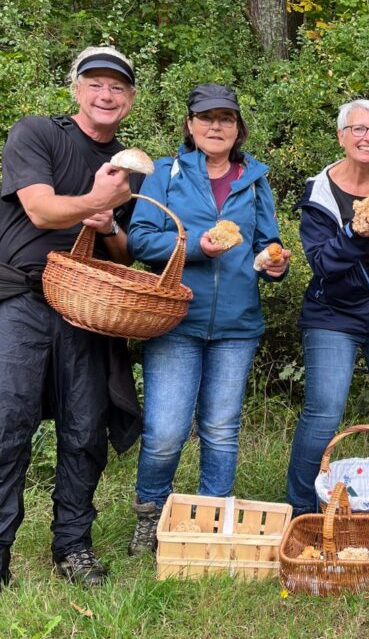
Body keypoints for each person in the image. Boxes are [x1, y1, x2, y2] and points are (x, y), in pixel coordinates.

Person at [0, 46, 143, 612]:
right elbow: (42, 211)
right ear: (76, 89)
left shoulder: (130, 164)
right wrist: (95, 200)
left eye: (117, 88)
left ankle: (72, 546)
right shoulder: (37, 134)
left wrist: (109, 224)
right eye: (95, 83)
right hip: (21, 299)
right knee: (2, 430)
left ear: (131, 100)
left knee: (84, 432)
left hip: (87, 306)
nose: (106, 95)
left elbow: (123, 253)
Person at [125, 84, 290, 555]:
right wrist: (197, 244)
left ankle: (212, 519)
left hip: (237, 326)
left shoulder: (255, 179)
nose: (216, 126)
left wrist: (275, 263)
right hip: (176, 319)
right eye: (206, 118)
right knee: (166, 431)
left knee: (220, 428)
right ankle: (149, 514)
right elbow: (140, 239)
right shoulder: (165, 173)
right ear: (190, 125)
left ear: (238, 128)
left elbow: (267, 242)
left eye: (226, 118)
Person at [285, 99, 369, 517]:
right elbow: (323, 263)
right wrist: (355, 233)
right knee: (324, 413)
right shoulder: (319, 192)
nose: (367, 138)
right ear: (342, 136)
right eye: (358, 130)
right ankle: (303, 506)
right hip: (334, 316)